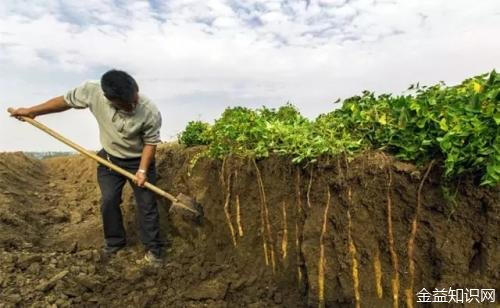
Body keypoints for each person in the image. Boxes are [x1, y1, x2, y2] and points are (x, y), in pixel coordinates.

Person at [9, 69, 164, 265]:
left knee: (147, 204)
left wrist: (142, 171)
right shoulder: (92, 91)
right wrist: (33, 111)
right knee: (108, 201)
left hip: (139, 160)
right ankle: (115, 244)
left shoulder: (149, 110)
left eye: (135, 99)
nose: (134, 105)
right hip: (109, 159)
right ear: (110, 99)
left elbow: (151, 143)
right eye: (127, 103)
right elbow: (65, 101)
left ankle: (154, 251)